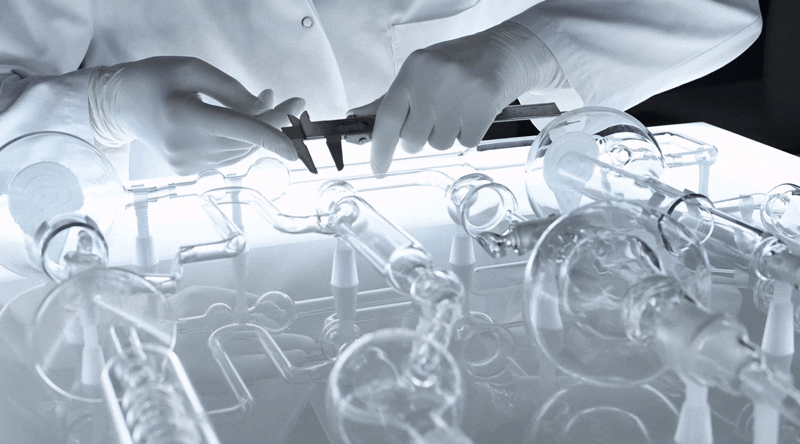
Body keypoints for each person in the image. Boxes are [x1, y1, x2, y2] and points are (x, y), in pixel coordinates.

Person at [0, 0, 762, 180]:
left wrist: (524, 50)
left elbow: (722, 10)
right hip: (161, 262)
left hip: (450, 234)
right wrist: (99, 105)